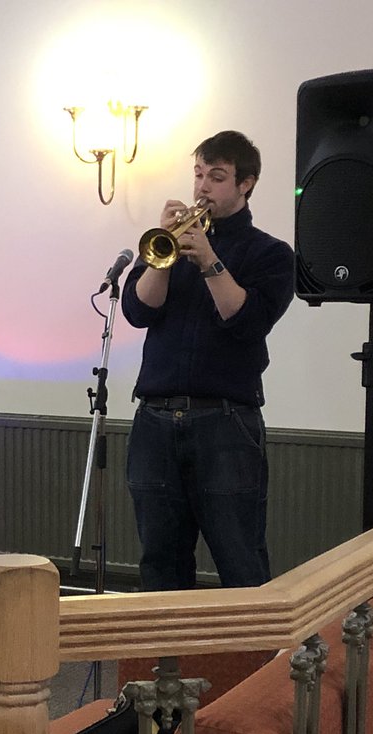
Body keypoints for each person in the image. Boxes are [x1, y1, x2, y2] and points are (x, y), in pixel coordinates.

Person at [121, 131, 294, 590]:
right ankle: (165, 662)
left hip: (225, 423)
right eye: (198, 175)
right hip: (155, 420)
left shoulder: (271, 254)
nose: (202, 188)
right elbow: (138, 311)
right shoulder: (168, 245)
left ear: (246, 184)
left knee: (240, 557)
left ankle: (256, 662)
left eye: (217, 177)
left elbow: (247, 321)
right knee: (159, 560)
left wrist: (211, 263)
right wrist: (161, 259)